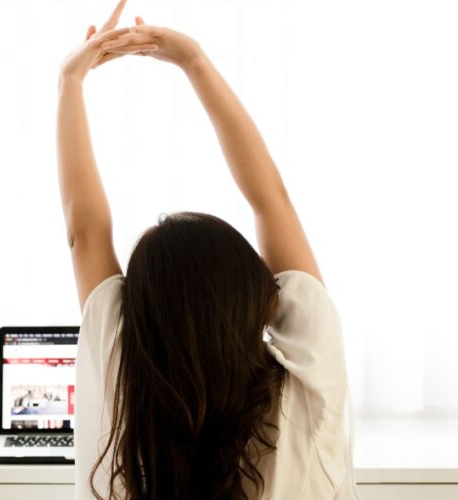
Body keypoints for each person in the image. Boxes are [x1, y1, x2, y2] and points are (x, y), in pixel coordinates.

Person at [57, 1, 359, 499]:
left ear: (138, 311)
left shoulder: (124, 385)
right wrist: (193, 60)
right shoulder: (310, 384)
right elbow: (271, 201)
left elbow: (83, 231)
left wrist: (70, 81)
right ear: (259, 293)